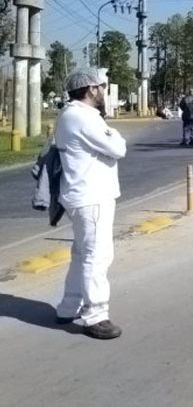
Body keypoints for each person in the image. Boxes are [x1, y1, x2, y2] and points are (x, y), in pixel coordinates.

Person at [53, 67, 126, 340]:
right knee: (97, 255)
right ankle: (95, 315)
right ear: (91, 89)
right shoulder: (83, 117)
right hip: (92, 195)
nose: (104, 92)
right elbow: (118, 148)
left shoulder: (70, 114)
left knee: (82, 253)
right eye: (102, 87)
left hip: (81, 195)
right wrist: (114, 135)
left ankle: (68, 306)